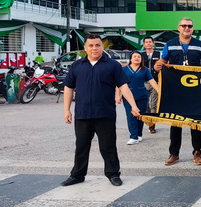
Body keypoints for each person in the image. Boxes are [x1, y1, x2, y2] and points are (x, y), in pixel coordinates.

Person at [61, 34, 140, 187]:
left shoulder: (113, 65)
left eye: (97, 45)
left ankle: (113, 174)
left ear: (102, 47)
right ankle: (77, 175)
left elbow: (124, 86)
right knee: (81, 146)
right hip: (83, 114)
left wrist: (133, 105)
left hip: (105, 113)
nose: (94, 48)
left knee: (108, 146)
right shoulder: (77, 66)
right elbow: (68, 88)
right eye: (91, 45)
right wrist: (67, 110)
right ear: (85, 48)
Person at [154, 17, 201, 166]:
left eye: (190, 26)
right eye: (184, 26)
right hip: (175, 90)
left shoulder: (199, 45)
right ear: (178, 28)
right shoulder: (170, 44)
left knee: (196, 123)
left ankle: (197, 152)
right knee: (176, 122)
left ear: (193, 29)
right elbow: (163, 61)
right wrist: (158, 65)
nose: (187, 28)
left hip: (195, 91)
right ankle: (174, 154)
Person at [117, 51, 159, 145]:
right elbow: (119, 83)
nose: (137, 58)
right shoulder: (124, 69)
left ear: (141, 59)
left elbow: (151, 81)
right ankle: (133, 136)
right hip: (128, 96)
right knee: (131, 115)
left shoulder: (145, 70)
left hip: (142, 95)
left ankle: (139, 135)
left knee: (140, 115)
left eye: (139, 57)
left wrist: (159, 91)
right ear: (131, 59)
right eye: (134, 56)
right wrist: (118, 95)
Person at [141, 36, 160, 133]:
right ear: (144, 44)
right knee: (146, 105)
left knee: (154, 104)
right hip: (143, 82)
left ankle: (152, 126)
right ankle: (149, 120)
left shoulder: (159, 54)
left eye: (150, 42)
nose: (148, 43)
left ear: (153, 43)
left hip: (155, 82)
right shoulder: (140, 55)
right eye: (146, 42)